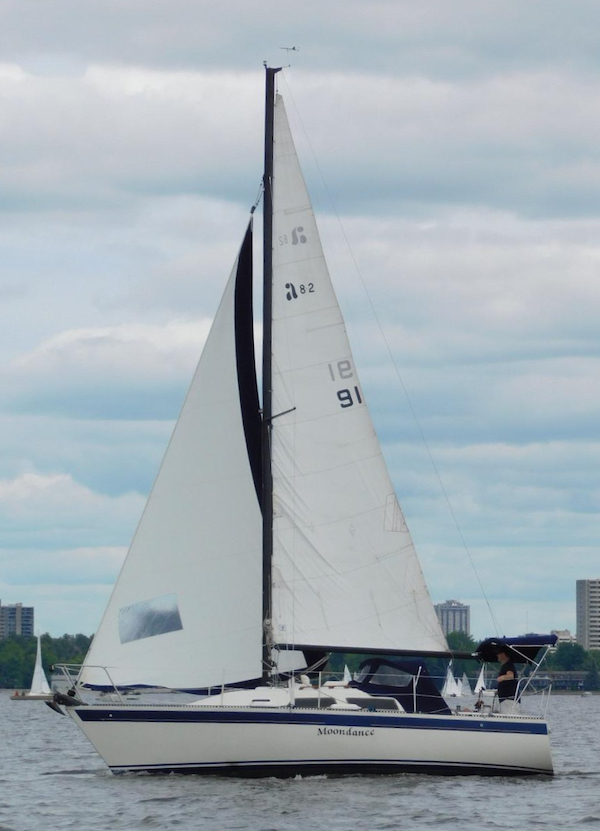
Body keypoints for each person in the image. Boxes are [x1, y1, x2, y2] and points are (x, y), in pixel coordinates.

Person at [496, 647, 519, 712]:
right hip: (504, 700)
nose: (497, 655)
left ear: (503, 654)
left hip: (509, 701)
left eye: (498, 653)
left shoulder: (508, 665)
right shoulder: (505, 665)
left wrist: (501, 678)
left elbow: (511, 676)